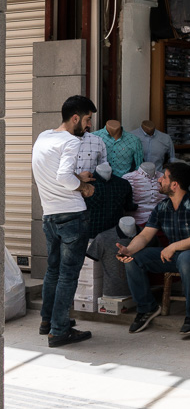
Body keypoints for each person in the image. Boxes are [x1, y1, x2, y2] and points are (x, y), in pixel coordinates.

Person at [116, 161, 190, 339]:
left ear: (174, 184)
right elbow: (145, 235)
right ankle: (147, 308)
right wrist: (129, 250)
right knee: (135, 259)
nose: (159, 180)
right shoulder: (162, 207)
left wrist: (173, 246)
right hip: (176, 258)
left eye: (163, 177)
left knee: (186, 257)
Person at [32, 95, 98, 347]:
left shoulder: (43, 137)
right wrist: (82, 186)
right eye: (88, 119)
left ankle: (47, 321)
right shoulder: (71, 141)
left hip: (49, 214)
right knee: (69, 275)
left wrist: (73, 176)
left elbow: (50, 173)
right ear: (75, 118)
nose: (89, 125)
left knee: (53, 270)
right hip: (71, 215)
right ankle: (59, 331)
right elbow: (63, 177)